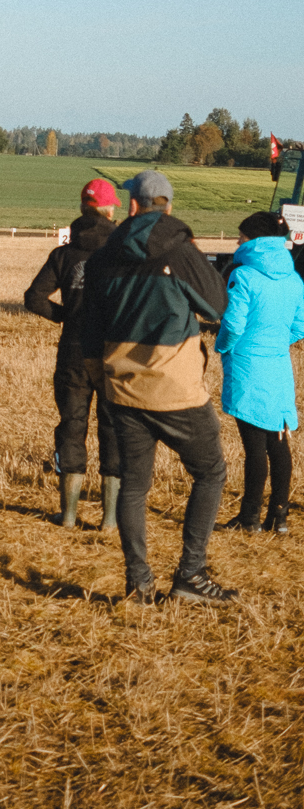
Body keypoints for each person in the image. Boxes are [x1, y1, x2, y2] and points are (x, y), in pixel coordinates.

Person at [81, 168, 232, 603]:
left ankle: (139, 583)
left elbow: (88, 328)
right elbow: (217, 305)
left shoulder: (103, 257)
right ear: (168, 206)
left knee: (133, 485)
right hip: (176, 389)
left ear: (133, 205)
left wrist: (102, 379)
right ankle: (190, 575)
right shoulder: (181, 252)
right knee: (210, 473)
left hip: (123, 388)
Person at [23, 177, 123, 529]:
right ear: (110, 212)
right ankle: (110, 519)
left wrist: (66, 316)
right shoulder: (123, 252)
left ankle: (67, 515)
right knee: (113, 428)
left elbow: (34, 298)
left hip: (74, 350)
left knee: (71, 425)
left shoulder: (63, 254)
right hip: (113, 352)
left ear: (82, 208)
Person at [216, 211, 304, 535]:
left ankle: (249, 516)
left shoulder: (244, 276)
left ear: (254, 240)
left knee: (254, 446)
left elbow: (233, 325)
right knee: (278, 441)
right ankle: (279, 516)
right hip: (278, 367)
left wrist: (223, 348)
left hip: (248, 366)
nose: (238, 241)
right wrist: (275, 343)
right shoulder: (294, 279)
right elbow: (300, 326)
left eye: (241, 236)